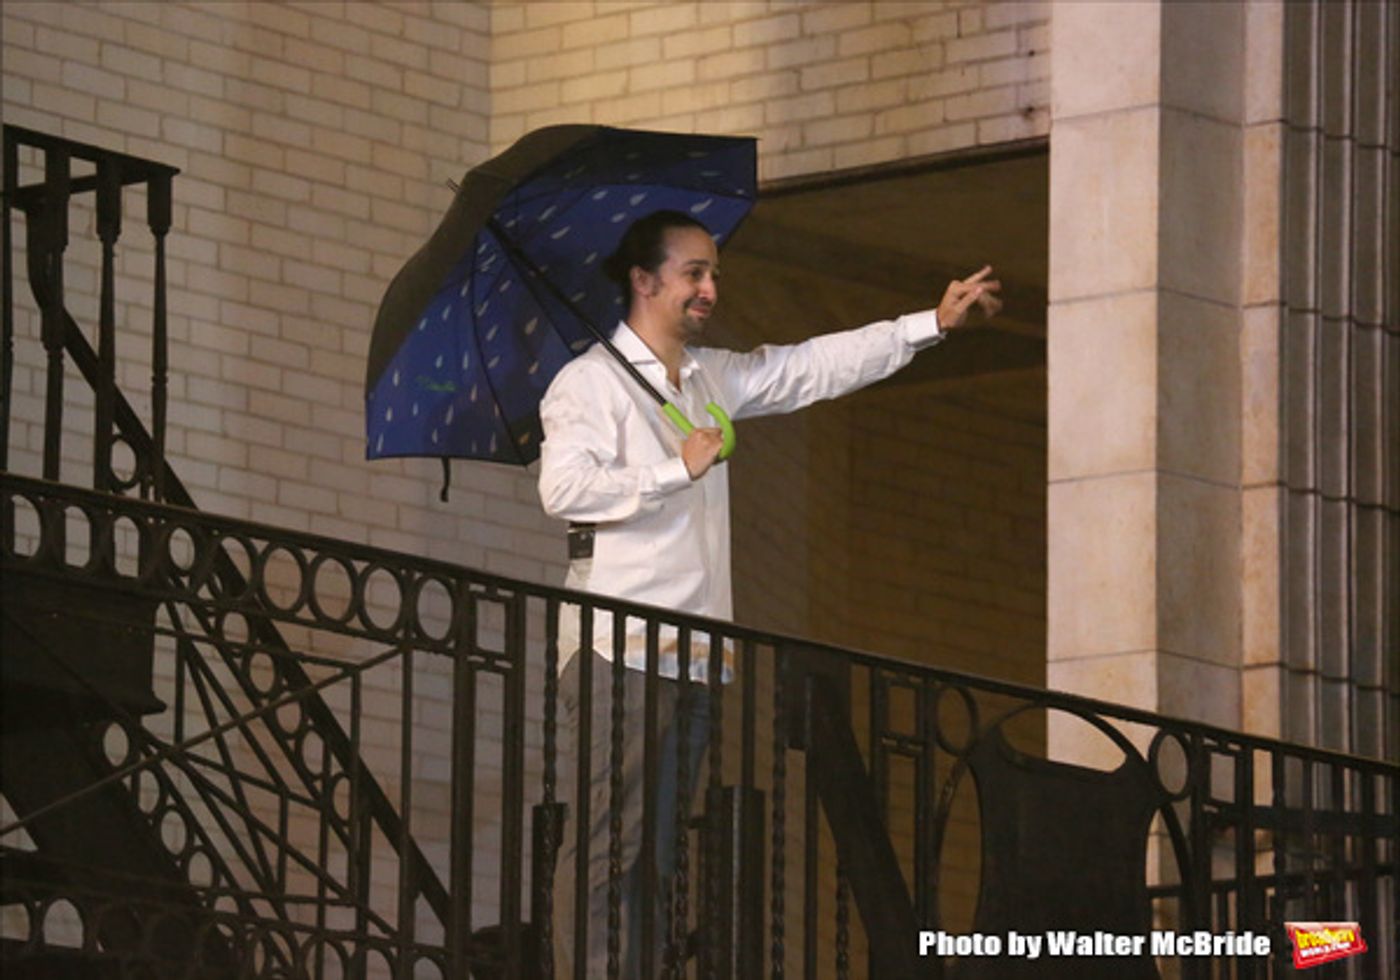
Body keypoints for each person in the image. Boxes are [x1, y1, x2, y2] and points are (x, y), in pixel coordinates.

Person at [537, 209, 1000, 977]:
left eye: (714, 273)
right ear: (644, 281)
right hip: (618, 646)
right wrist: (673, 469)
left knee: (655, 851)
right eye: (694, 273)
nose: (711, 288)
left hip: (695, 654)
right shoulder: (589, 381)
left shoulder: (709, 377)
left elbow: (807, 367)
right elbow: (564, 490)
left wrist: (930, 323)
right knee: (610, 844)